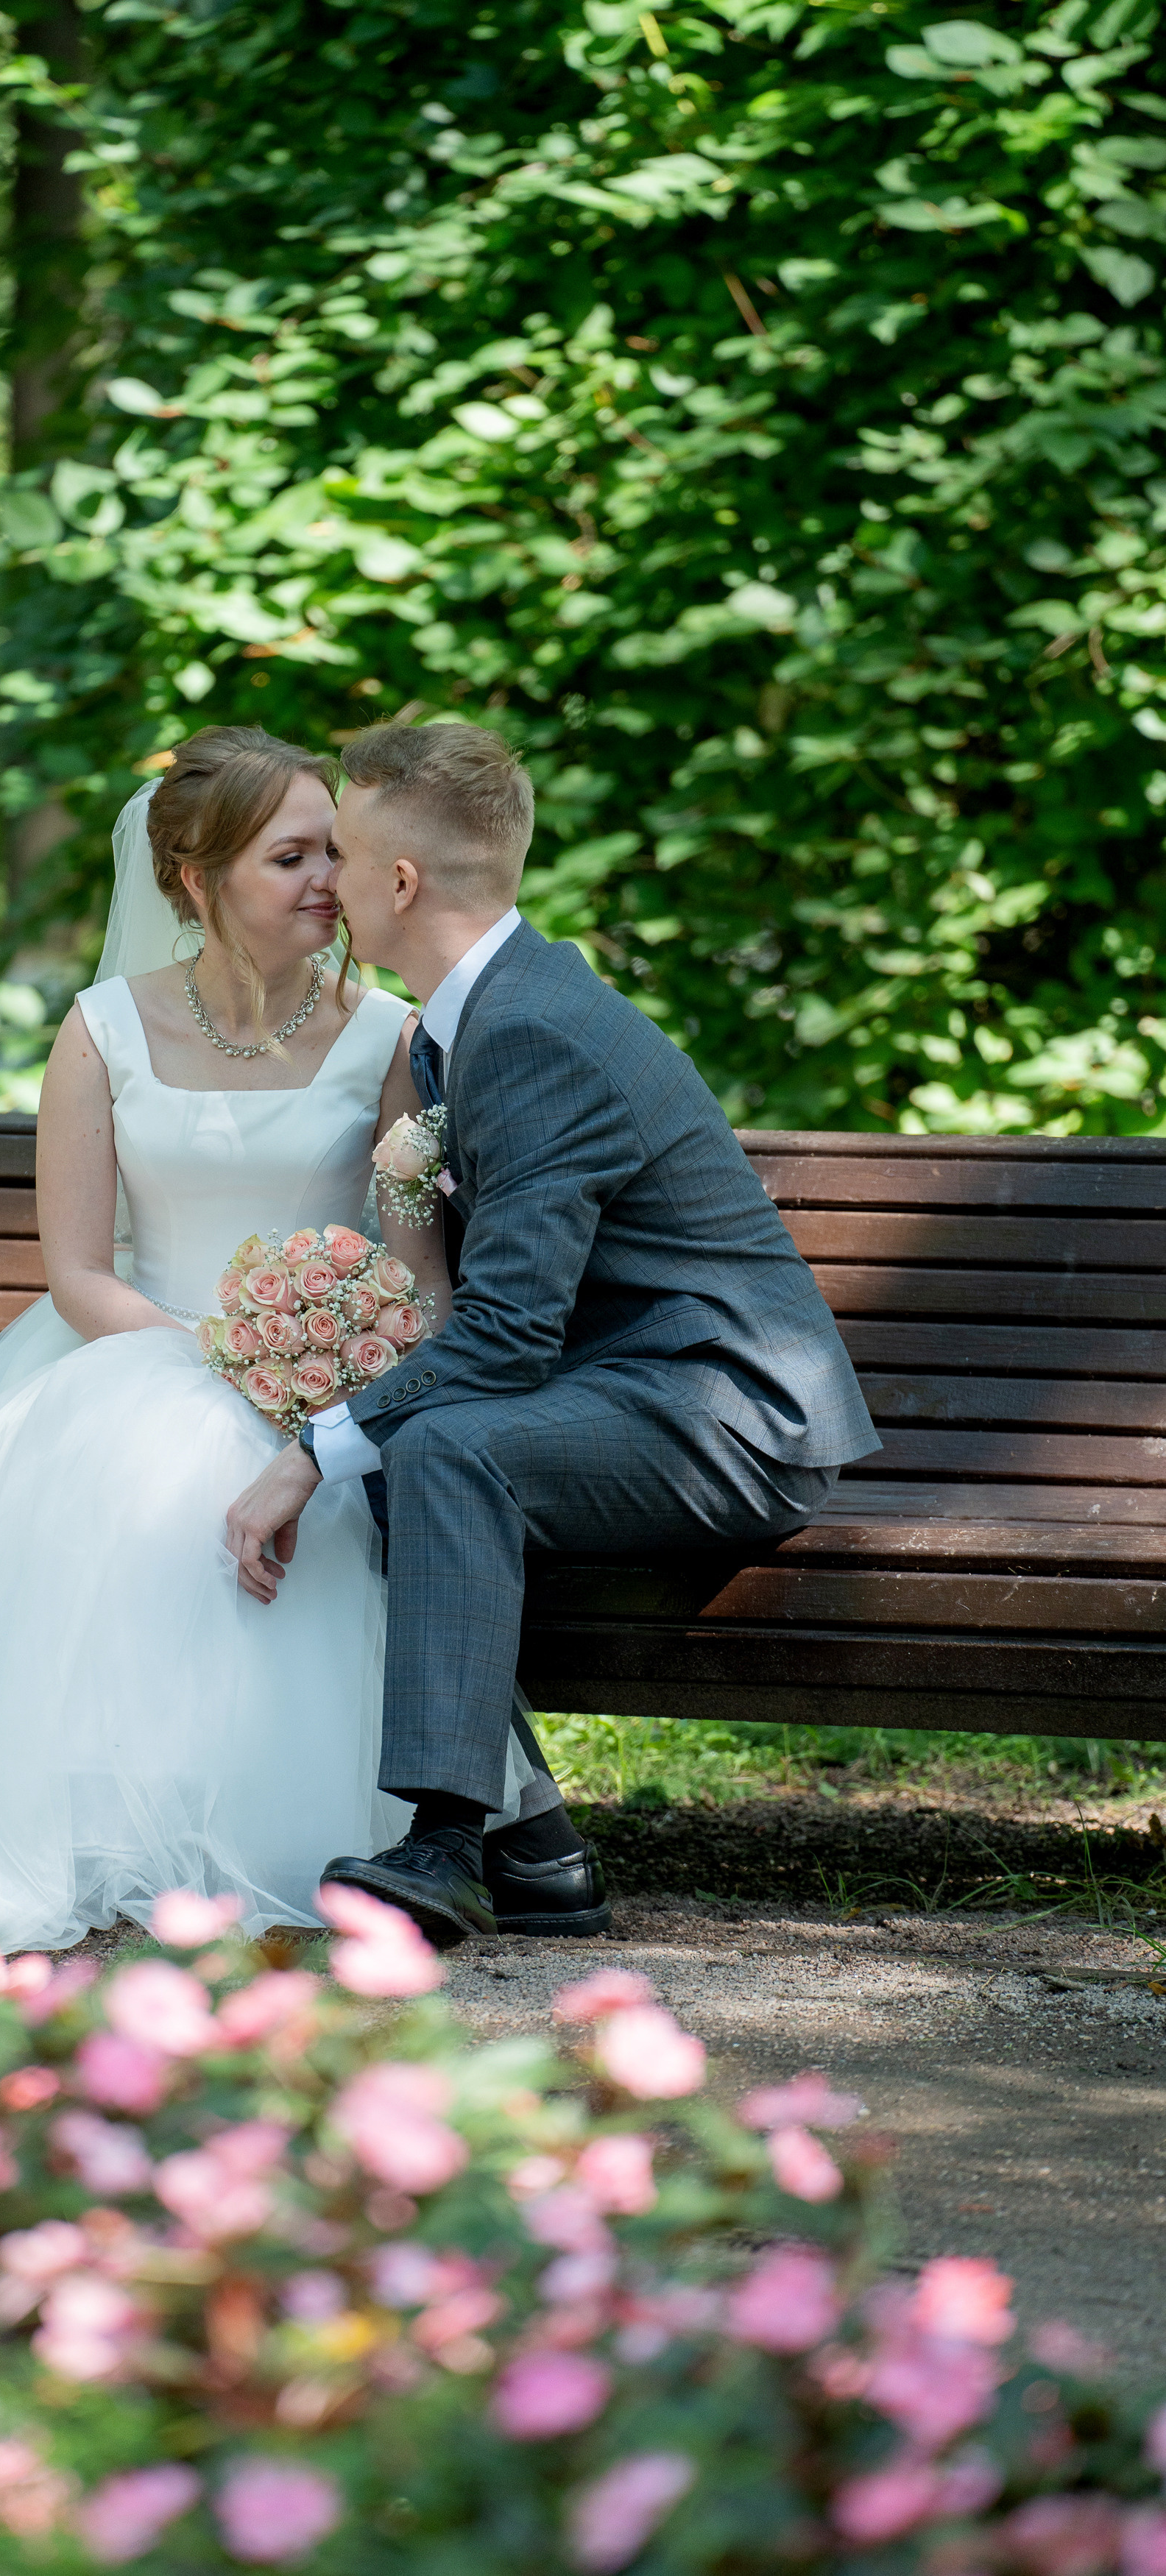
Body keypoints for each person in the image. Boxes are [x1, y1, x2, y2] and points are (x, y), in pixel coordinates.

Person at [0, 724, 590, 1948]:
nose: (329, 879)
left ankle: (348, 1818)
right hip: (136, 1348)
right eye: (291, 858)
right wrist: (228, 1360)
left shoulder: (388, 1038)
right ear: (194, 880)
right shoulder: (101, 1029)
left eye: (333, 851)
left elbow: (421, 1278)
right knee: (157, 1451)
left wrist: (328, 1376)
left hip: (324, 1382)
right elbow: (78, 1277)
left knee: (317, 1476)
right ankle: (91, 1806)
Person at [226, 717, 881, 1949]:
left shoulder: (528, 1029)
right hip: (632, 1389)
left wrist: (310, 1449)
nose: (330, 882)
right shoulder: (488, 1007)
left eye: (345, 857)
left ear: (400, 882)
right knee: (413, 1455)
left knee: (439, 1449)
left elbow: (509, 1337)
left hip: (729, 1415)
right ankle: (535, 1851)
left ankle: (445, 1844)